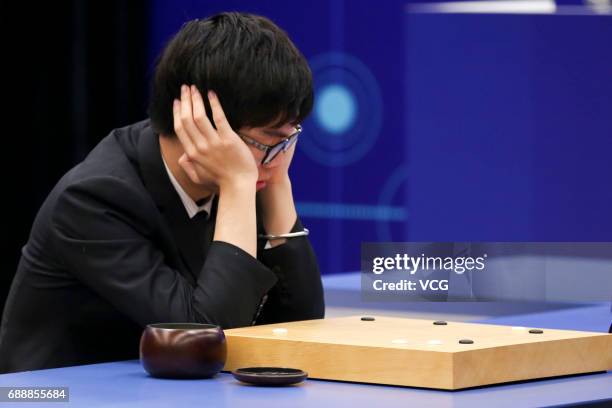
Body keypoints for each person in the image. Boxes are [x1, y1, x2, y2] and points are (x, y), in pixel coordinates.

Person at [0, 12, 324, 374]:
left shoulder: (247, 170)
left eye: (289, 138)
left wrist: (277, 182)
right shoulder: (93, 200)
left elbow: (300, 328)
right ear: (202, 123)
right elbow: (206, 338)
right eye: (270, 140)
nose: (278, 158)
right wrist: (237, 184)